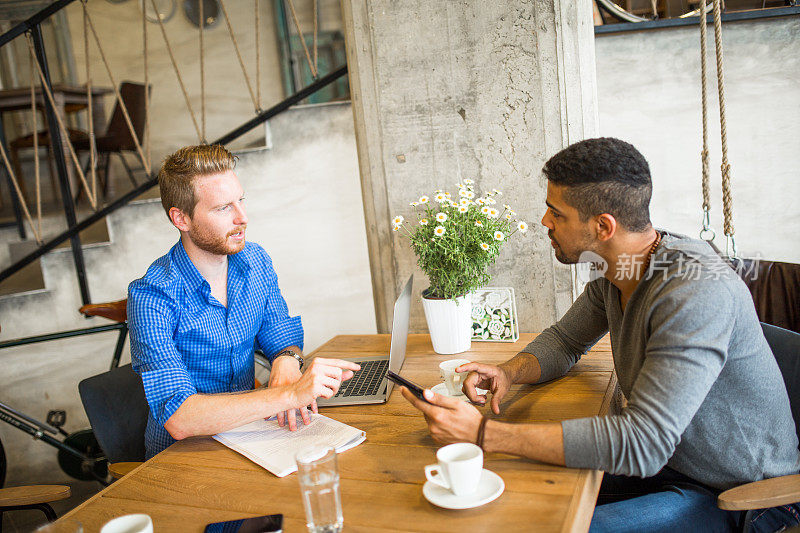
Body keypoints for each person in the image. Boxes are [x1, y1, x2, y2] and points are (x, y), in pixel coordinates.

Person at [401, 137, 800, 532]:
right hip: (673, 461)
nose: (545, 222)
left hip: (746, 496)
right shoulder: (620, 271)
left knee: (559, 525)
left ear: (603, 226)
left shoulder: (693, 291)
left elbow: (642, 443)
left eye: (556, 213)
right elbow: (565, 341)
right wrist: (508, 373)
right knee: (516, 493)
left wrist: (484, 432)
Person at [128, 144, 359, 458]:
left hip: (250, 436)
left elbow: (283, 338)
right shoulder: (151, 296)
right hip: (185, 457)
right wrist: (290, 394)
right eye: (223, 208)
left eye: (241, 200)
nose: (243, 218)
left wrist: (287, 362)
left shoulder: (255, 261)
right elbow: (180, 418)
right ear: (181, 218)